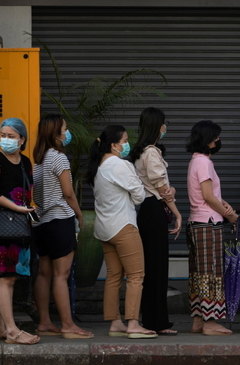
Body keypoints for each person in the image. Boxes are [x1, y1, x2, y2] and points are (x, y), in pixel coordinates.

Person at [87, 125, 156, 339]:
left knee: (114, 276)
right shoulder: (120, 165)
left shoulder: (98, 167)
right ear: (115, 145)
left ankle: (115, 322)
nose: (127, 144)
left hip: (105, 229)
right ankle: (133, 323)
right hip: (123, 226)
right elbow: (139, 195)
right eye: (125, 140)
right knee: (136, 275)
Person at [32, 114, 93, 339]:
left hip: (41, 222)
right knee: (62, 274)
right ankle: (68, 325)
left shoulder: (38, 158)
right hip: (59, 219)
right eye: (65, 129)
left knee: (44, 273)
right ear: (56, 133)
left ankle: (44, 322)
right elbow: (68, 193)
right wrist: (78, 214)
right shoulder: (58, 157)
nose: (67, 133)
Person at [0, 118, 40, 345]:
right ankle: (12, 330)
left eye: (11, 136)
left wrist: (27, 209)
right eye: (3, 135)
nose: (5, 140)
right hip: (3, 225)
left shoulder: (25, 162)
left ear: (22, 139)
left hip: (21, 225)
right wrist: (16, 207)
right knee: (5, 277)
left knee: (12, 277)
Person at [131, 107, 182, 336]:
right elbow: (162, 188)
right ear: (156, 126)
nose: (165, 127)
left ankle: (154, 319)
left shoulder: (142, 151)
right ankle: (156, 322)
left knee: (153, 267)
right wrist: (178, 213)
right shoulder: (151, 152)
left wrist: (167, 192)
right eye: (164, 123)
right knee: (157, 267)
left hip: (148, 210)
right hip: (154, 210)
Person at [186, 120, 238, 336]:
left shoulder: (195, 161)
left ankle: (198, 319)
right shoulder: (205, 163)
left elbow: (209, 195)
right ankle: (210, 322)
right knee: (212, 273)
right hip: (208, 223)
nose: (218, 141)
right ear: (207, 140)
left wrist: (223, 204)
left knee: (199, 273)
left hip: (197, 222)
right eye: (215, 138)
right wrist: (230, 215)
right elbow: (208, 197)